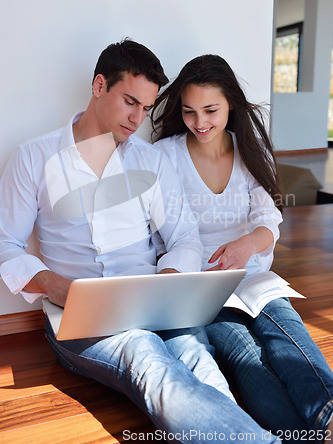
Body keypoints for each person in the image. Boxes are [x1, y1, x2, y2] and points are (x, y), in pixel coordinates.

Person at [0, 40, 281, 443]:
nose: (137, 119)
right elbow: (5, 243)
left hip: (154, 304)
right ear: (99, 86)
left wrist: (165, 281)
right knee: (148, 361)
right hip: (80, 315)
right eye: (130, 101)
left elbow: (184, 237)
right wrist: (51, 283)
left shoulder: (151, 161)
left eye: (146, 109)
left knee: (199, 359)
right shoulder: (33, 158)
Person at [151, 54, 333, 443]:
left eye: (211, 110)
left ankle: (329, 416)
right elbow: (171, 232)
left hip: (253, 276)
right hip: (201, 285)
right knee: (246, 358)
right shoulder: (165, 155)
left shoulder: (249, 149)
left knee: (288, 336)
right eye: (189, 112)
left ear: (230, 103)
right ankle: (301, 437)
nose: (200, 123)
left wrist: (247, 244)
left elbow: (269, 220)